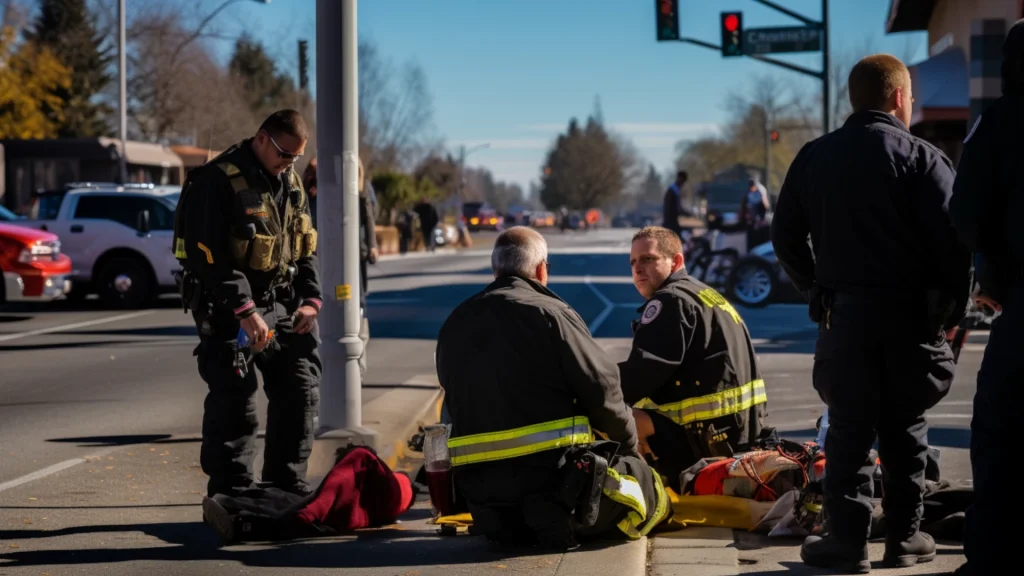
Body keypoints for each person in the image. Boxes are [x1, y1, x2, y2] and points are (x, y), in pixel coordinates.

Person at [771, 54, 971, 572]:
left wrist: (814, 288)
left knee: (849, 431)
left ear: (853, 100)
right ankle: (904, 539)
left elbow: (785, 235)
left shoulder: (815, 158)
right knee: (906, 429)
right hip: (910, 320)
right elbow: (957, 248)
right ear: (900, 98)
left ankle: (847, 541)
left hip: (846, 319)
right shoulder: (925, 159)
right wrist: (947, 314)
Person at [436, 226, 671, 549]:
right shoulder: (553, 315)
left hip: (487, 508)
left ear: (496, 270)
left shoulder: (454, 324)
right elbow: (603, 391)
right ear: (541, 269)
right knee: (649, 489)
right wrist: (630, 448)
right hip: (558, 500)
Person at [172, 109, 323, 499]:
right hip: (227, 309)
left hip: (281, 303)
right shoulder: (216, 181)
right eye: (283, 154)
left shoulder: (288, 183)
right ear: (261, 139)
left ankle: (284, 486)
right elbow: (209, 258)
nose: (289, 163)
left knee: (301, 386)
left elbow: (304, 246)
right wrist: (245, 311)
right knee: (235, 398)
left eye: (296, 157)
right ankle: (232, 493)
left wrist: (311, 300)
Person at [948, 20, 1024, 576]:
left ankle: (995, 554)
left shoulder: (999, 122)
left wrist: (991, 270)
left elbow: (966, 211)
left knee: (1001, 427)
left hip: (1023, 303)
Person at [618, 226, 768, 492]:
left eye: (648, 259)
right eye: (633, 262)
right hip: (737, 434)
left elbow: (639, 376)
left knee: (613, 414)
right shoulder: (704, 294)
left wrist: (589, 384)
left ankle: (650, 490)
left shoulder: (670, 301)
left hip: (705, 443)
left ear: (675, 261)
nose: (637, 268)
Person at [662, 170, 693, 236]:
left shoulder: (672, 190)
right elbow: (677, 209)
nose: (683, 184)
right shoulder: (673, 191)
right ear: (680, 178)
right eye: (683, 181)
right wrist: (688, 214)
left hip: (671, 223)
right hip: (671, 225)